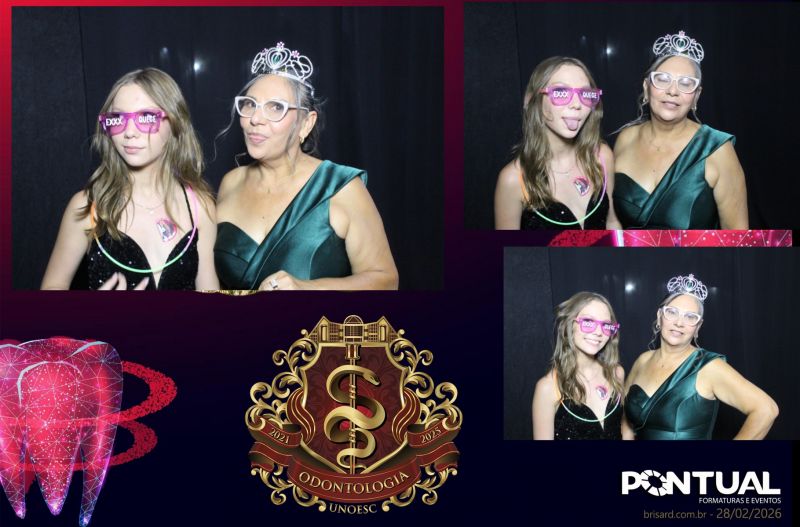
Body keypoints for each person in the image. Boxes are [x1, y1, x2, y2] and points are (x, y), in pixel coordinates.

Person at [214, 42, 398, 290]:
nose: (255, 119)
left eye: (276, 107)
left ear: (306, 124)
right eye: (250, 104)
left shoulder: (341, 188)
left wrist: (307, 288)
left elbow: (386, 280)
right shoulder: (231, 182)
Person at [41, 68, 218, 290]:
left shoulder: (200, 206)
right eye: (118, 119)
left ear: (175, 122)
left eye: (146, 117)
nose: (129, 132)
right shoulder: (87, 207)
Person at [613, 31, 748, 229]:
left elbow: (738, 238)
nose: (673, 91)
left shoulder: (718, 151)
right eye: (662, 79)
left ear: (696, 96)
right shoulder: (626, 138)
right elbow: (613, 225)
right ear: (646, 87)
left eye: (686, 83)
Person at [624, 274, 778, 439]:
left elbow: (766, 409)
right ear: (659, 317)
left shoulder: (709, 367)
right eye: (672, 312)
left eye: (690, 317)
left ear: (698, 327)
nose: (679, 323)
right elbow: (625, 420)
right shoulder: (643, 360)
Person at [495, 56, 620, 230]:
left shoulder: (602, 156)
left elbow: (612, 222)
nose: (576, 104)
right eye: (561, 92)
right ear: (532, 100)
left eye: (585, 94)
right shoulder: (513, 179)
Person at [531, 292, 631, 440]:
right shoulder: (548, 387)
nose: (598, 332)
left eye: (606, 325)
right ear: (570, 325)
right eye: (588, 322)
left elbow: (624, 428)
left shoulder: (616, 374)